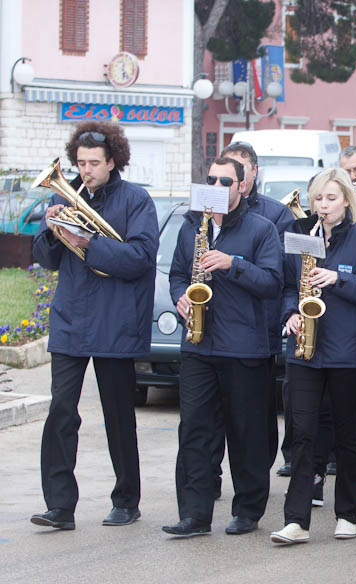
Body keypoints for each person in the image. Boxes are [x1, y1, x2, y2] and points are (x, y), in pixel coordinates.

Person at [31, 122, 158, 531]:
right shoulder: (65, 196)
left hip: (115, 321)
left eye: (93, 164)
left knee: (118, 415)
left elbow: (140, 258)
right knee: (60, 413)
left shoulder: (136, 200)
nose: (85, 171)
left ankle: (126, 499)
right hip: (71, 320)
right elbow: (46, 261)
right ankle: (59, 506)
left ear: (112, 161)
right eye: (80, 163)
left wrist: (89, 243)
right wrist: (52, 233)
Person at [164, 157, 282, 537]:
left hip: (243, 347)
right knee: (194, 430)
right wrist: (181, 296)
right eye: (211, 179)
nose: (216, 185)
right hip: (198, 344)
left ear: (242, 187)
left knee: (245, 432)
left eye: (225, 181)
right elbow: (178, 274)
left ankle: (247, 511)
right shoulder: (190, 226)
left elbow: (272, 283)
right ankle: (195, 515)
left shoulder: (261, 229)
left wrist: (233, 264)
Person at [270, 169, 356, 545]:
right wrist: (289, 312)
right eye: (318, 199)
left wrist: (338, 279)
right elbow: (289, 285)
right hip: (305, 350)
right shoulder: (302, 236)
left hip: (347, 351)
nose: (324, 206)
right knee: (302, 434)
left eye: (331, 199)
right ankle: (296, 520)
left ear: (346, 201)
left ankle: (348, 514)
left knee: (347, 432)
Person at [219, 141, 294, 482]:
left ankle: (256, 470)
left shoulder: (275, 214)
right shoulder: (207, 212)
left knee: (257, 409)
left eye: (240, 170)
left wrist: (235, 261)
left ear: (251, 174)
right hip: (219, 323)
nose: (231, 179)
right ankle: (212, 477)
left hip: (259, 323)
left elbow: (276, 270)